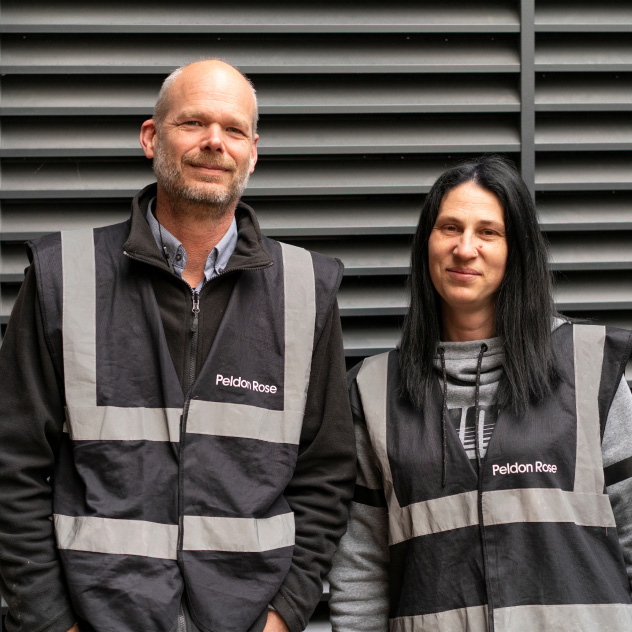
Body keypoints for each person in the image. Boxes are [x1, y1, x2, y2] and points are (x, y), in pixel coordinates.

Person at [0, 60, 355, 632]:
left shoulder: (305, 290)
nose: (215, 142)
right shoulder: (63, 276)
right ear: (151, 137)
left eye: (234, 130)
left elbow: (327, 473)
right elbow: (12, 467)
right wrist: (49, 622)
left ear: (253, 151)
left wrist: (284, 616)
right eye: (193, 123)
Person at [328, 155, 632, 631]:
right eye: (450, 227)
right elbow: (362, 568)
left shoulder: (592, 368)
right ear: (426, 243)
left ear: (518, 249)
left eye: (488, 232)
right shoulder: (373, 391)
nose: (464, 248)